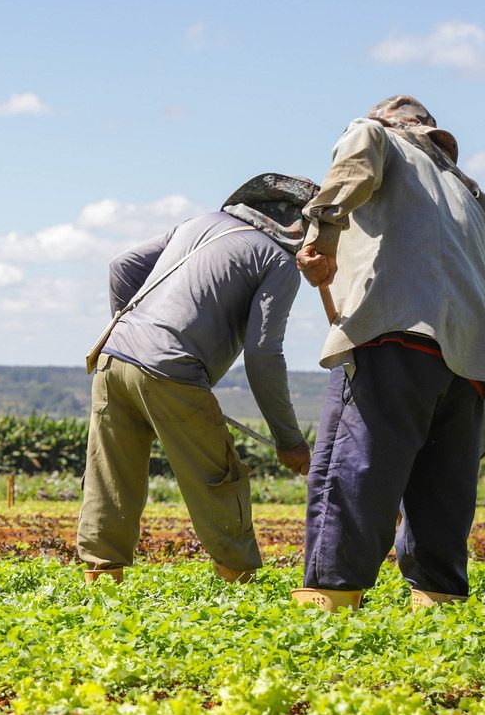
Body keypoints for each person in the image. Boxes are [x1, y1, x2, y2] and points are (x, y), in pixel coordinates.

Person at [291, 95, 485, 611]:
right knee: (443, 490)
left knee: (354, 467)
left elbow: (348, 176)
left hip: (399, 330)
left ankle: (329, 600)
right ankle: (438, 604)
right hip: (475, 355)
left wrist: (319, 241)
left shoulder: (376, 134)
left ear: (394, 123)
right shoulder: (470, 190)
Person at [76, 173, 319, 584]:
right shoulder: (277, 262)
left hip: (113, 357)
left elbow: (122, 265)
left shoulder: (199, 224)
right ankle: (238, 588)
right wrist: (289, 440)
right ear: (300, 226)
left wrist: (133, 332)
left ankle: (100, 585)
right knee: (218, 479)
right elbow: (263, 355)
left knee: (110, 475)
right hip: (172, 369)